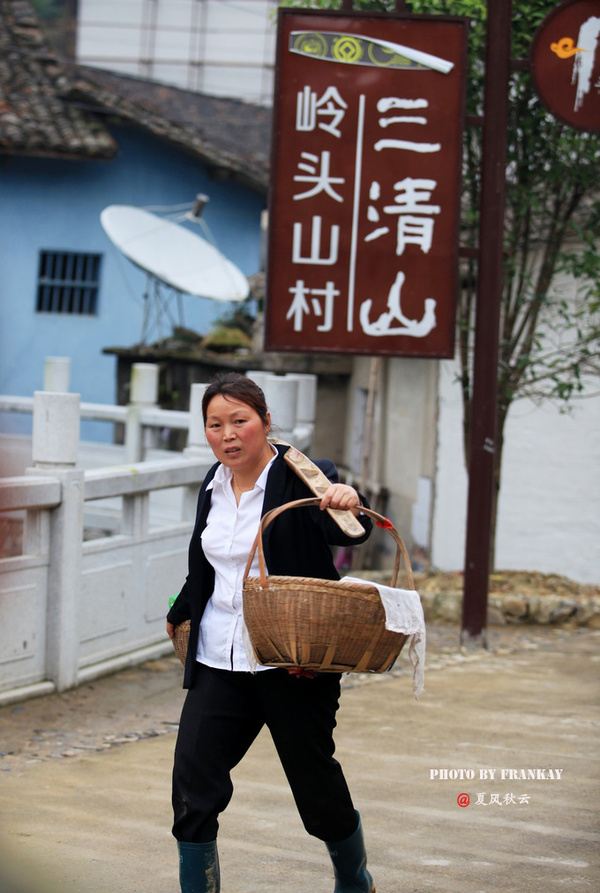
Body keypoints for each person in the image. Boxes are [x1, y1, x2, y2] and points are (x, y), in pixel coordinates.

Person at [166, 372, 376, 893]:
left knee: (315, 790)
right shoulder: (213, 485)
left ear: (264, 422)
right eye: (215, 424)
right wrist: (180, 610)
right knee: (193, 789)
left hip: (292, 662)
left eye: (240, 421)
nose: (228, 434)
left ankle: (355, 880)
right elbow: (210, 567)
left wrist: (347, 499)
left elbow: (349, 528)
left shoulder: (302, 475)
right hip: (220, 661)